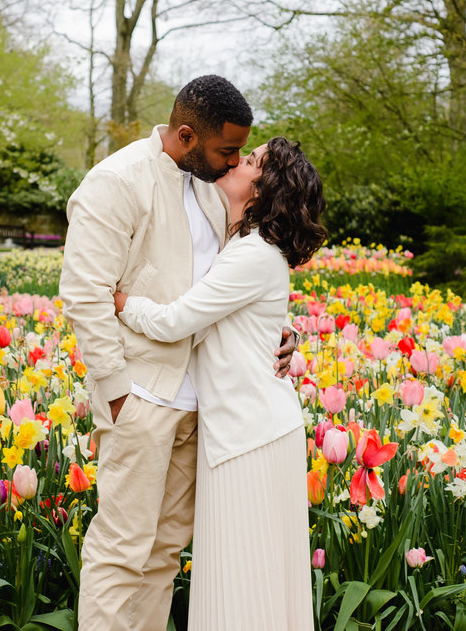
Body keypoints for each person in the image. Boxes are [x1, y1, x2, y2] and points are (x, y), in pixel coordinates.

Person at [59, 75, 298, 631]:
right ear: (188, 135)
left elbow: (230, 282)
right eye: (228, 151)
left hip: (202, 404)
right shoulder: (117, 182)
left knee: (165, 554)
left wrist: (279, 332)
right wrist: (115, 389)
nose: (236, 162)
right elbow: (85, 293)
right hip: (141, 396)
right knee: (122, 551)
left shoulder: (211, 186)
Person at [115, 137, 326, 630]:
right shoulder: (242, 246)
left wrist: (119, 301)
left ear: (265, 190)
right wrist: (282, 326)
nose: (238, 161)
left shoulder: (251, 253)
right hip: (244, 430)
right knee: (248, 579)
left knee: (245, 580)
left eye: (252, 161)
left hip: (249, 437)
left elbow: (174, 322)